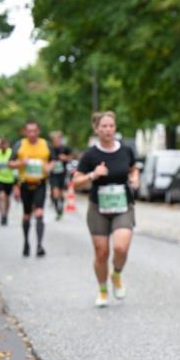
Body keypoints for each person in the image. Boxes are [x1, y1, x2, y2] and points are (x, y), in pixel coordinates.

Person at [71, 111, 139, 307]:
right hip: (98, 207)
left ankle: (116, 274)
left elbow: (133, 168)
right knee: (101, 253)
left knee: (120, 247)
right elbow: (76, 182)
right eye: (104, 126)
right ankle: (102, 291)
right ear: (96, 129)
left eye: (111, 126)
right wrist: (93, 175)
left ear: (115, 128)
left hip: (122, 205)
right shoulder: (90, 155)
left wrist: (135, 178)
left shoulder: (125, 150)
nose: (108, 130)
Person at [10, 120, 53, 257]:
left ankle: (39, 245)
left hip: (40, 183)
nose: (32, 134)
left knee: (39, 212)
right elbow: (10, 163)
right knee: (27, 215)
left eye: (34, 131)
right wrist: (20, 163)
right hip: (25, 184)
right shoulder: (19, 145)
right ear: (25, 132)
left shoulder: (45, 144)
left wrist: (49, 167)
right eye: (29, 131)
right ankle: (26, 242)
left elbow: (53, 159)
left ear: (38, 131)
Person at [49, 131, 72, 220]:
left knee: (61, 193)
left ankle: (61, 206)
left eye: (59, 139)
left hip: (63, 173)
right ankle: (57, 209)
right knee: (55, 193)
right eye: (55, 139)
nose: (57, 141)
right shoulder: (50, 149)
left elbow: (71, 157)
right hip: (53, 174)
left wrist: (65, 158)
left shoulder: (65, 148)